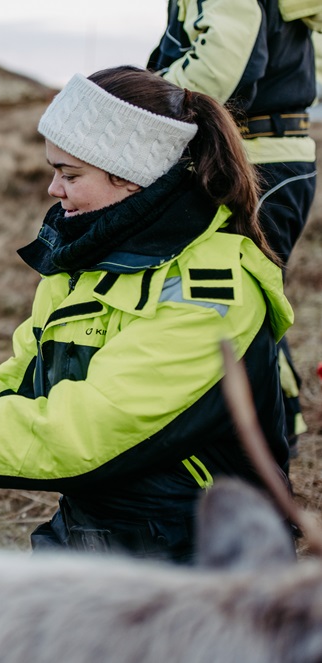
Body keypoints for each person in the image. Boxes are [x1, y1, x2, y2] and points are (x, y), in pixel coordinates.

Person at [0, 66, 296, 564]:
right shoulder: (84, 260)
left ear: (133, 176)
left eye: (70, 174)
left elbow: (77, 435)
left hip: (208, 556)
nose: (52, 189)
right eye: (53, 170)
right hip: (105, 532)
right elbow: (20, 389)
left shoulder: (211, 294)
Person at [147, 0, 320, 454]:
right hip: (271, 152)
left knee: (233, 298)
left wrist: (141, 103)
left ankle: (263, 440)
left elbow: (230, 62)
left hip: (252, 158)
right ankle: (278, 428)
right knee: (249, 296)